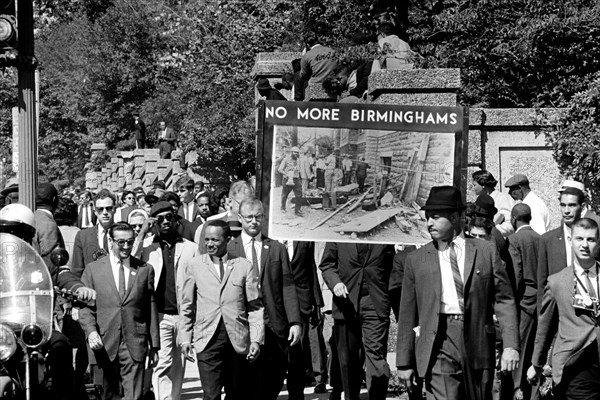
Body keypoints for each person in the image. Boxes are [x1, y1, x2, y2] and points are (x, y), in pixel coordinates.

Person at [396, 186, 520, 400]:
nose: (429, 223)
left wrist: (510, 345)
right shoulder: (416, 260)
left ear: (455, 217)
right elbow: (407, 313)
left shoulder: (484, 251)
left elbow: (504, 300)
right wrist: (404, 362)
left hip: (478, 341)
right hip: (439, 340)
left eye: (435, 217)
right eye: (427, 218)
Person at [0, 203, 96, 400]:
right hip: (3, 331)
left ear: (30, 235)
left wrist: (78, 288)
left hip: (35, 326)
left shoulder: (40, 260)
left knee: (61, 345)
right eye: (7, 232)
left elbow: (61, 274)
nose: (14, 238)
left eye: (19, 233)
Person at [179, 219, 264, 400]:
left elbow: (255, 306)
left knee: (236, 393)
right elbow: (187, 305)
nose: (209, 244)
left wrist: (256, 340)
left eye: (215, 240)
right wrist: (185, 338)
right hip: (207, 339)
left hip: (237, 340)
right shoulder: (194, 265)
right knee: (211, 394)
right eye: (207, 239)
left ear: (227, 240)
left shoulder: (244, 266)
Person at [227, 198, 303, 400]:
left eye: (258, 217)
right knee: (242, 384)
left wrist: (294, 322)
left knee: (273, 378)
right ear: (240, 218)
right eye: (249, 217)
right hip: (242, 325)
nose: (254, 221)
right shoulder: (229, 249)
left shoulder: (276, 248)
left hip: (273, 324)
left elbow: (287, 285)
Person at [78, 222, 160, 400]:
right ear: (110, 241)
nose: (126, 246)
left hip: (134, 342)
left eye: (130, 242)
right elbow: (85, 308)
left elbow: (150, 308)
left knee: (134, 395)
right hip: (104, 342)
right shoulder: (93, 270)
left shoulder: (144, 270)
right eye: (121, 242)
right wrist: (91, 332)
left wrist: (154, 346)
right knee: (106, 395)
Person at [527, 218, 600, 398]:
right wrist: (536, 363)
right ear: (571, 241)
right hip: (574, 364)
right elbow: (545, 326)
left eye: (590, 240)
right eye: (579, 239)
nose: (584, 245)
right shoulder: (556, 282)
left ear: (598, 243)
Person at [138, 201, 198, 400]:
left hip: (184, 315)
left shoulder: (191, 248)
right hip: (160, 315)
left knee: (179, 363)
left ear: (176, 219)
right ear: (154, 222)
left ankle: (174, 397)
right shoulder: (147, 248)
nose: (165, 222)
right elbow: (129, 259)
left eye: (169, 217)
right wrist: (143, 231)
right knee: (162, 362)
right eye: (160, 218)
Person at [320, 242, 395, 400]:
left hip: (375, 302)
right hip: (346, 304)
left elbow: (391, 268)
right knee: (348, 360)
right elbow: (327, 265)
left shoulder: (382, 234)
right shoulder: (338, 234)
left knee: (376, 356)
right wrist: (335, 283)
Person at [507, 203, 541, 400]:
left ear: (513, 219)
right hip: (541, 300)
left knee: (519, 346)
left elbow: (516, 273)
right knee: (537, 347)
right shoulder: (541, 238)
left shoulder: (513, 239)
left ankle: (517, 388)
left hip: (524, 301)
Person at [537, 186, 586, 308]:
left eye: (572, 205)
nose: (566, 211)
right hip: (558, 313)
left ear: (583, 207)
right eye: (563, 205)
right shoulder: (547, 240)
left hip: (587, 315)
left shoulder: (593, 239)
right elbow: (542, 285)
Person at [71, 189, 116, 278]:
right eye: (100, 209)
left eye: (109, 208)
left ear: (114, 209)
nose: (105, 212)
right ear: (95, 211)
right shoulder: (83, 236)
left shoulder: (124, 233)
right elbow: (77, 270)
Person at [472, 170, 515, 237]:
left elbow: (510, 226)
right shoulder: (479, 200)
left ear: (483, 185)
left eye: (474, 185)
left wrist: (489, 231)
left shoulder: (503, 199)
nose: (473, 188)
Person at [278, 146, 303, 217]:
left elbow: (299, 170)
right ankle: (282, 207)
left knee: (299, 195)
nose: (296, 154)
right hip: (287, 179)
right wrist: (285, 174)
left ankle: (297, 210)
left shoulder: (298, 160)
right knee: (285, 195)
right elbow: (280, 169)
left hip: (296, 179)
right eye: (295, 152)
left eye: (297, 153)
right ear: (291, 152)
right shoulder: (286, 159)